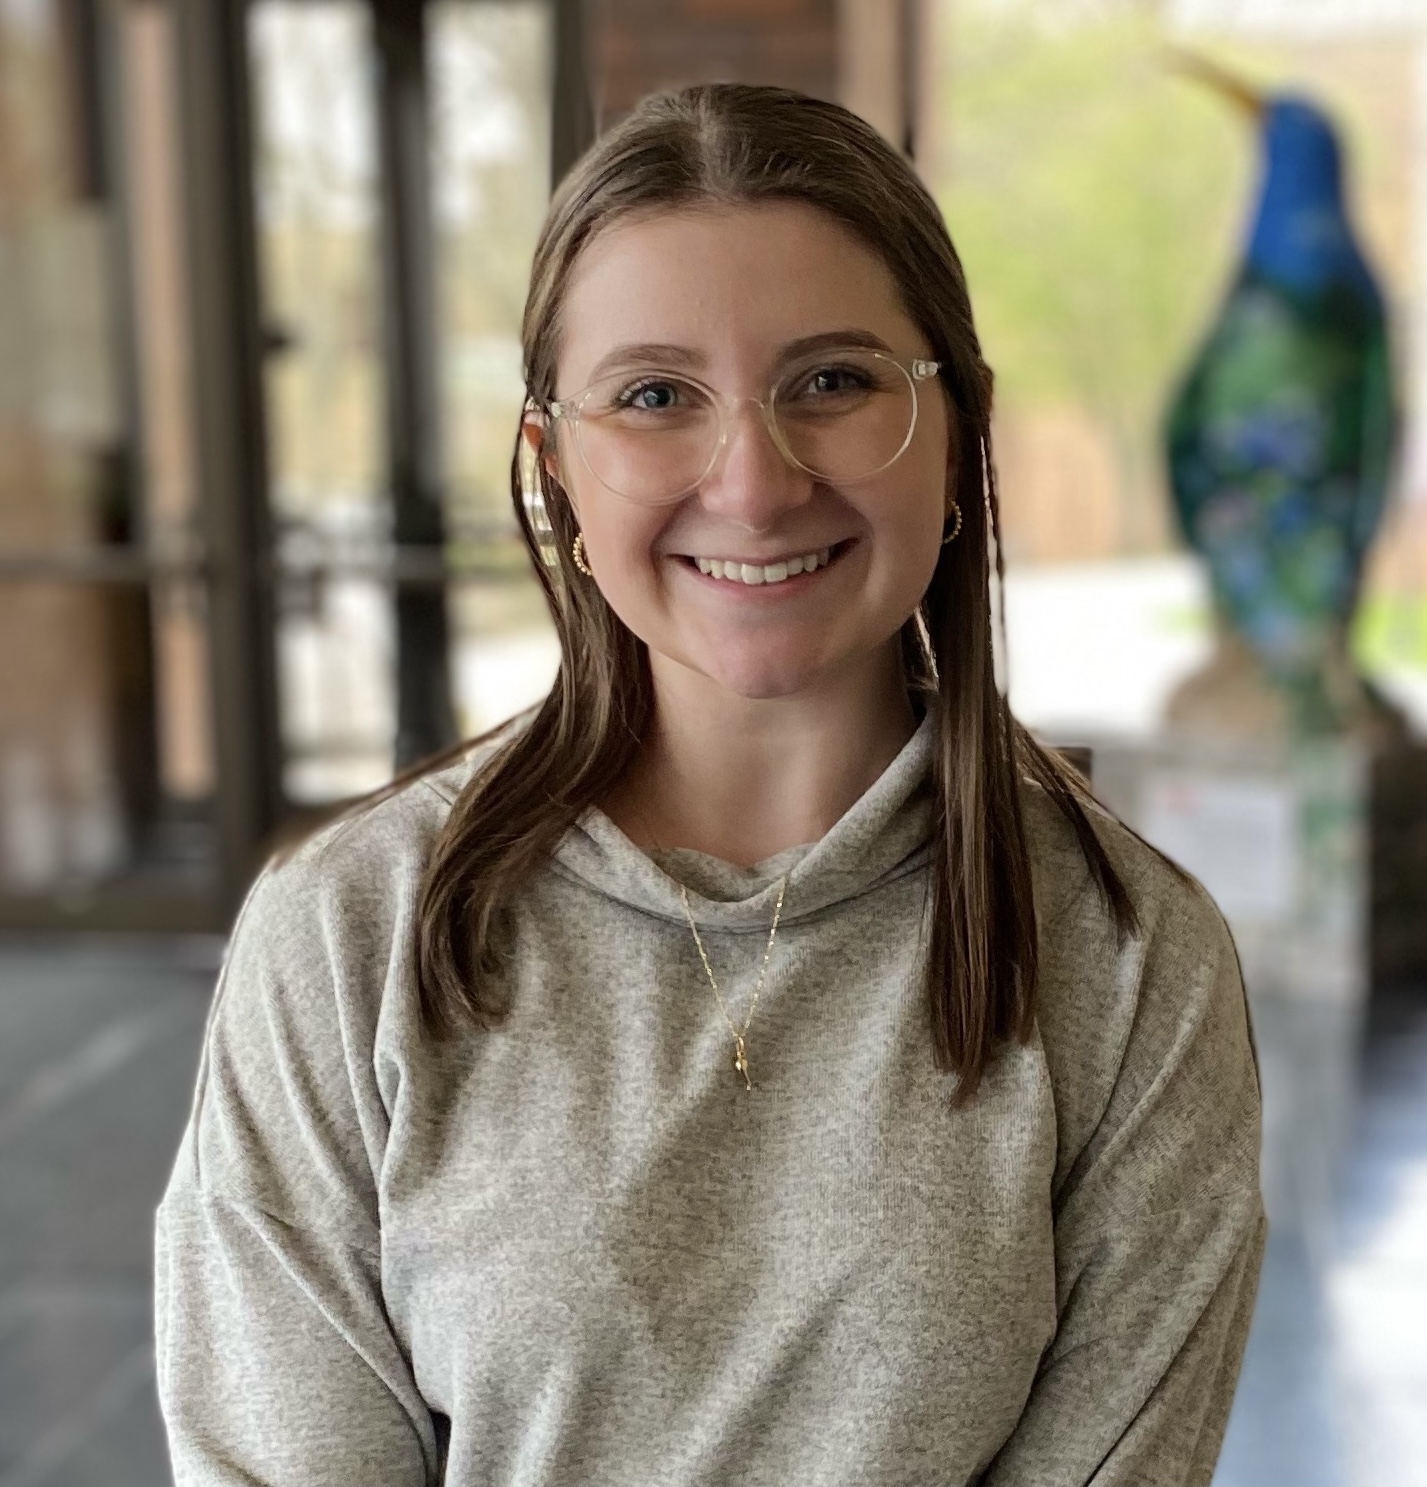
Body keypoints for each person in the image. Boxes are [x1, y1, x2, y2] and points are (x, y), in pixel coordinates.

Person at [154, 82, 1265, 1487]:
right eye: (656, 396)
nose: (752, 482)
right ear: (554, 465)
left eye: (834, 381)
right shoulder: (345, 936)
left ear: (959, 430)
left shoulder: (1129, 963)